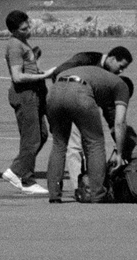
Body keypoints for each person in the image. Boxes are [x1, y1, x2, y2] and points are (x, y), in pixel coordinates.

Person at [44, 62, 131, 204]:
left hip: (55, 90)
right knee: (95, 143)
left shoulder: (103, 80)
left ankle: (54, 195)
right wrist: (120, 153)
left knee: (59, 144)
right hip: (79, 91)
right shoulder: (122, 87)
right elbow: (119, 122)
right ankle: (97, 194)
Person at [0, 10, 54, 194]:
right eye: (24, 29)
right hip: (25, 95)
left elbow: (28, 66)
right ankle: (21, 175)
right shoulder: (15, 46)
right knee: (31, 139)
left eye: (28, 25)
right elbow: (17, 76)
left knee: (42, 134)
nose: (29, 29)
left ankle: (23, 174)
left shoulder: (23, 43)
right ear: (14, 31)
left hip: (35, 92)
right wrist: (46, 75)